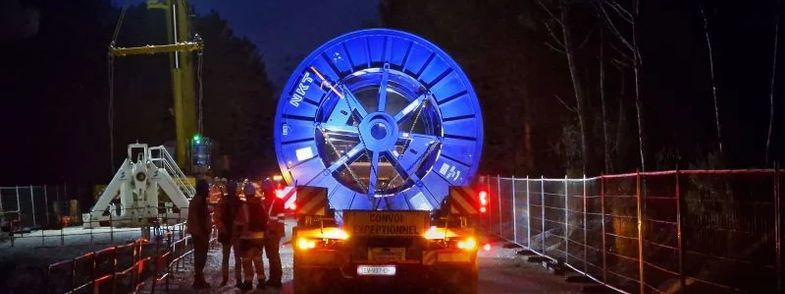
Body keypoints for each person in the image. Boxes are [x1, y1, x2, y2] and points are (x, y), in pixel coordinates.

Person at [236, 181, 268, 290]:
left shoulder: (244, 207)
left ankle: (248, 283)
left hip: (247, 238)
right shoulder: (261, 205)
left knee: (247, 261)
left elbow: (240, 223)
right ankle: (261, 280)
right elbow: (265, 220)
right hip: (259, 237)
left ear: (245, 193)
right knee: (258, 260)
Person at [213, 180, 243, 286]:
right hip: (234, 234)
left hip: (229, 233)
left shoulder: (224, 201)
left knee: (228, 258)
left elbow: (216, 217)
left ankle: (226, 279)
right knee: (237, 258)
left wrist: (222, 229)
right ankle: (237, 279)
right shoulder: (238, 202)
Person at [187, 179, 212, 289]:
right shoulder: (199, 201)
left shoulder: (198, 200)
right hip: (200, 233)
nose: (209, 190)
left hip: (199, 232)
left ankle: (199, 279)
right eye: (207, 188)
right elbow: (198, 218)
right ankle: (198, 280)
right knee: (200, 256)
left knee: (200, 256)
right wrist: (202, 231)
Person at [262, 178, 285, 287]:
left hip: (274, 233)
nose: (265, 193)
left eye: (266, 190)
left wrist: (277, 232)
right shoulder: (265, 202)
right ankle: (273, 278)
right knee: (271, 256)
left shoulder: (278, 201)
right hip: (268, 232)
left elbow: (280, 219)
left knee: (274, 255)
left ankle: (277, 279)